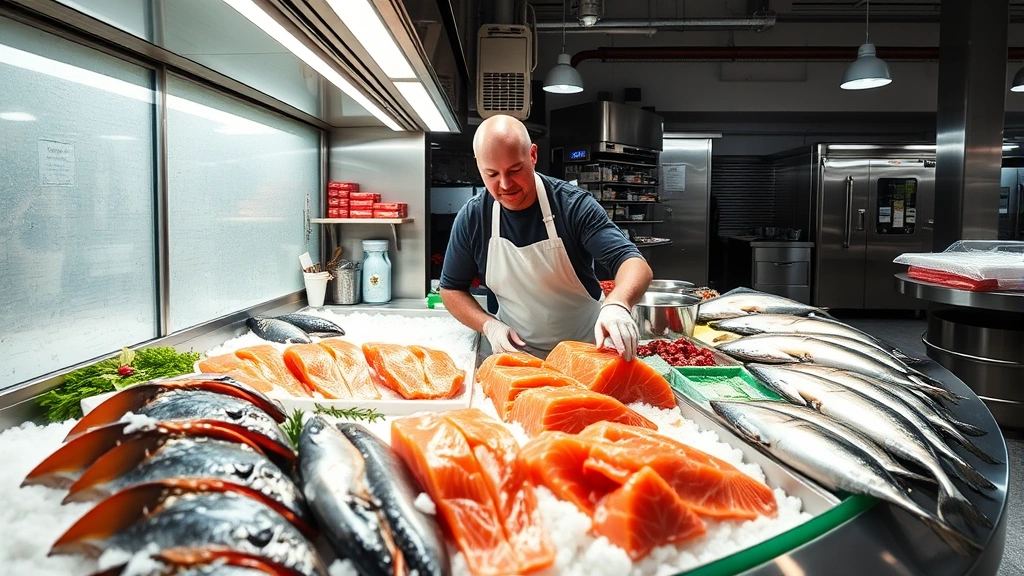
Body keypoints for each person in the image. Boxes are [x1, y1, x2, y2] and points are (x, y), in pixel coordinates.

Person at [439, 115, 653, 360]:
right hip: (516, 357)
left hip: (587, 353)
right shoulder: (474, 217)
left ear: (532, 155)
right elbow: (451, 289)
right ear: (479, 167)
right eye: (492, 174)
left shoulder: (572, 206)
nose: (505, 184)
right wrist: (488, 325)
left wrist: (618, 303)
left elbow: (633, 262)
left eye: (515, 170)